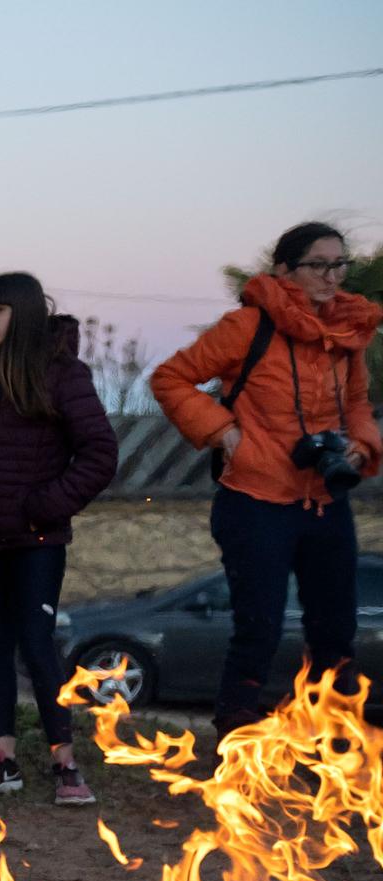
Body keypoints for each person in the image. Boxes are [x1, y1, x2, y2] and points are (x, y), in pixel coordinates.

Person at [151, 221, 381, 735]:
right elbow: (170, 378)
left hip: (325, 499)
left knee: (335, 634)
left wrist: (359, 444)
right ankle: (235, 746)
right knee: (258, 629)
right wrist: (223, 432)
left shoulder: (347, 333)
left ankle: (335, 752)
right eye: (317, 264)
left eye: (339, 264)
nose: (331, 275)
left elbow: (360, 404)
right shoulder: (248, 326)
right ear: (284, 270)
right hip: (254, 501)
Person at [0, 273, 118, 803]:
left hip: (37, 543)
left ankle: (66, 763)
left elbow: (101, 454)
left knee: (37, 644)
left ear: (25, 314)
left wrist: (44, 506)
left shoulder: (64, 375)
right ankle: (4, 760)